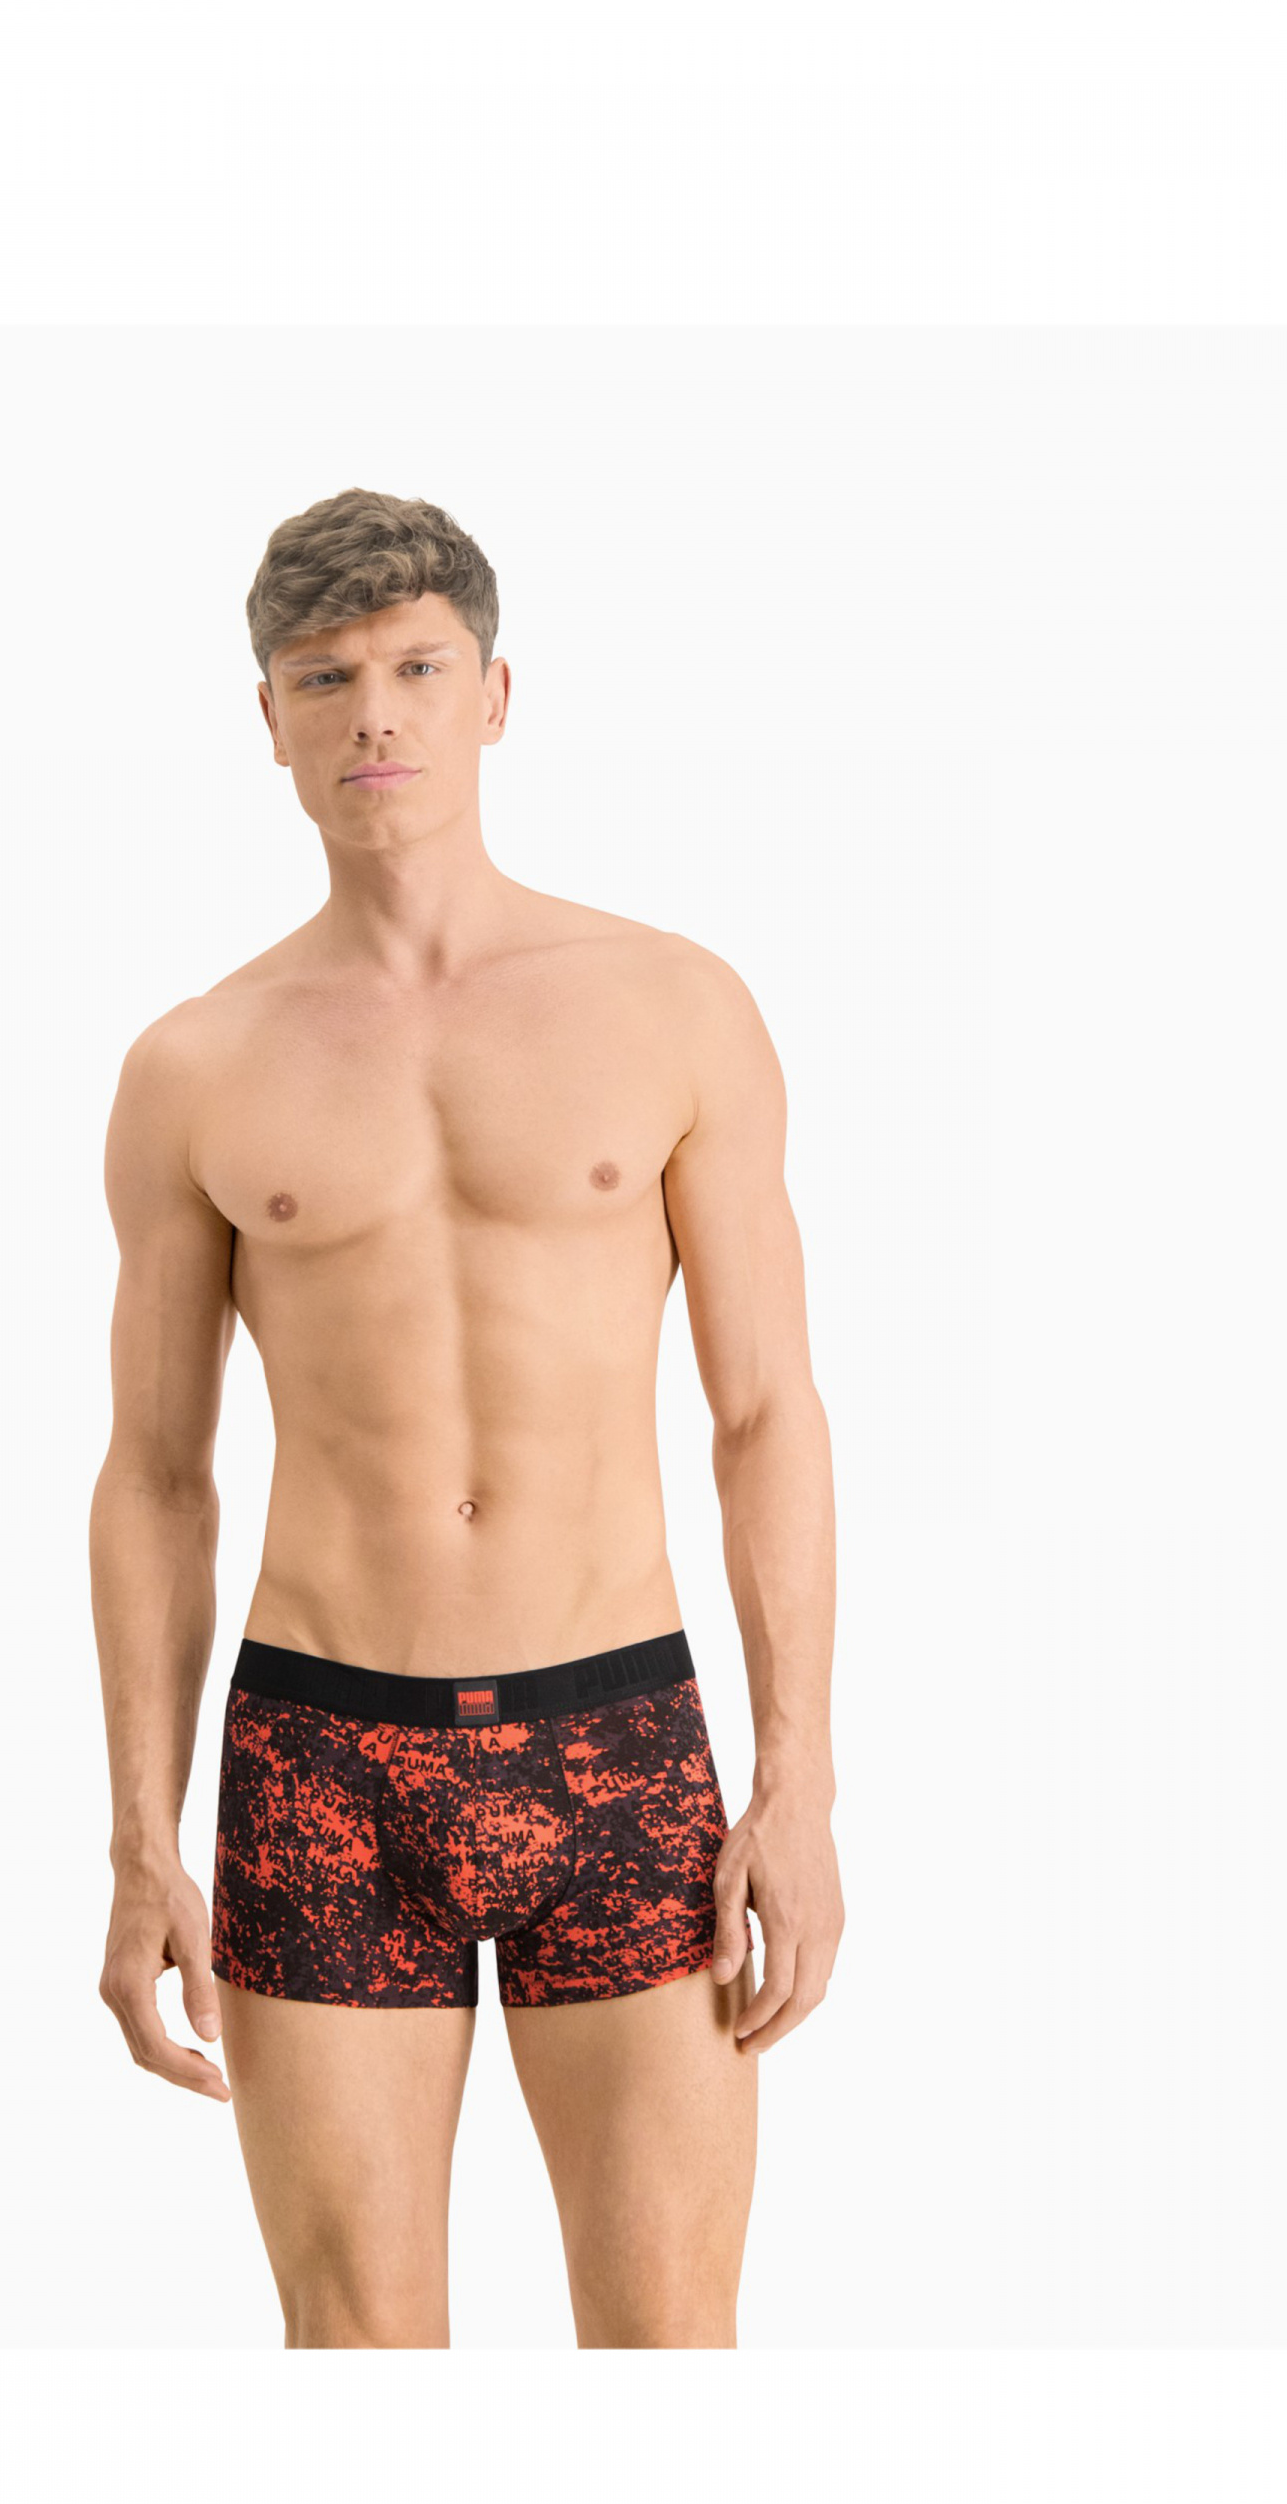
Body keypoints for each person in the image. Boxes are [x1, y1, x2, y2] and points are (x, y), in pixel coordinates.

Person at [91, 488, 842, 2348]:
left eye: (417, 669)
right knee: (357, 2360)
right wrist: (136, 1837)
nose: (374, 715)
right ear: (267, 719)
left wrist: (797, 1782)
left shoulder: (671, 1007)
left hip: (617, 1743)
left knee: (666, 2347)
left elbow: (764, 1412)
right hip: (320, 1761)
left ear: (494, 695)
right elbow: (157, 1479)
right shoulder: (196, 1063)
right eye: (323, 678)